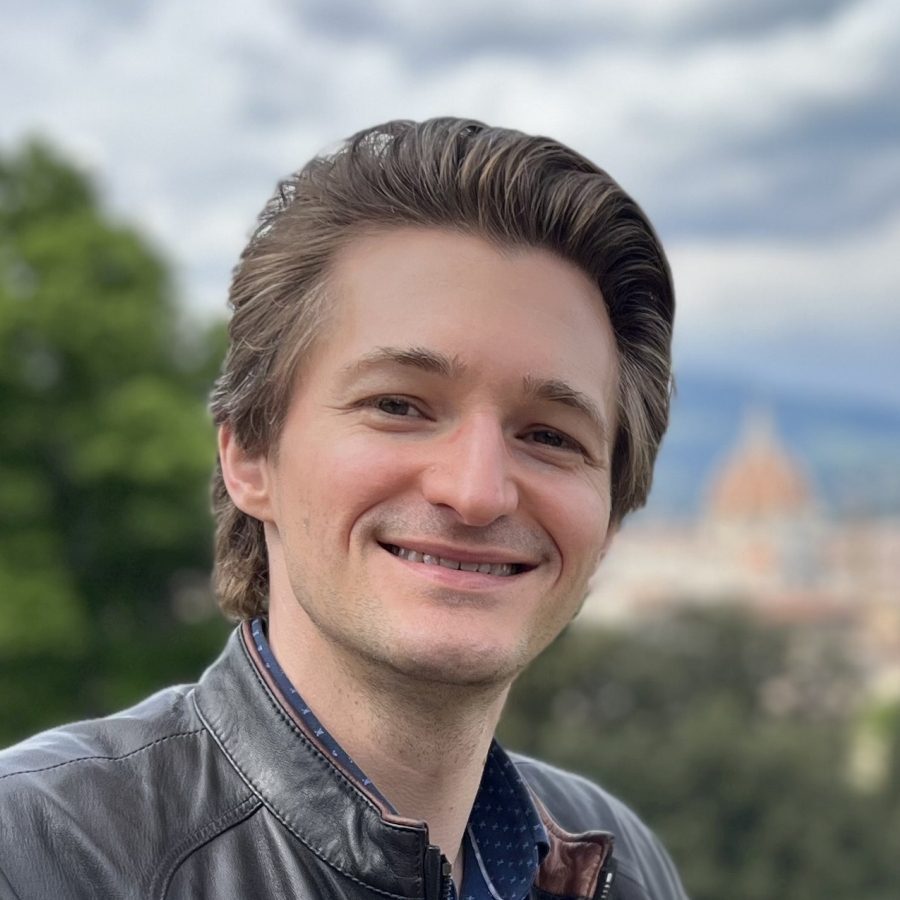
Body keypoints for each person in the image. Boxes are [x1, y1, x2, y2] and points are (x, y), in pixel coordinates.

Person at [0, 118, 686, 900]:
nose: (476, 490)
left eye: (550, 436)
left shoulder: (623, 866)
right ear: (249, 454)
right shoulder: (37, 857)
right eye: (398, 405)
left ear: (610, 517)